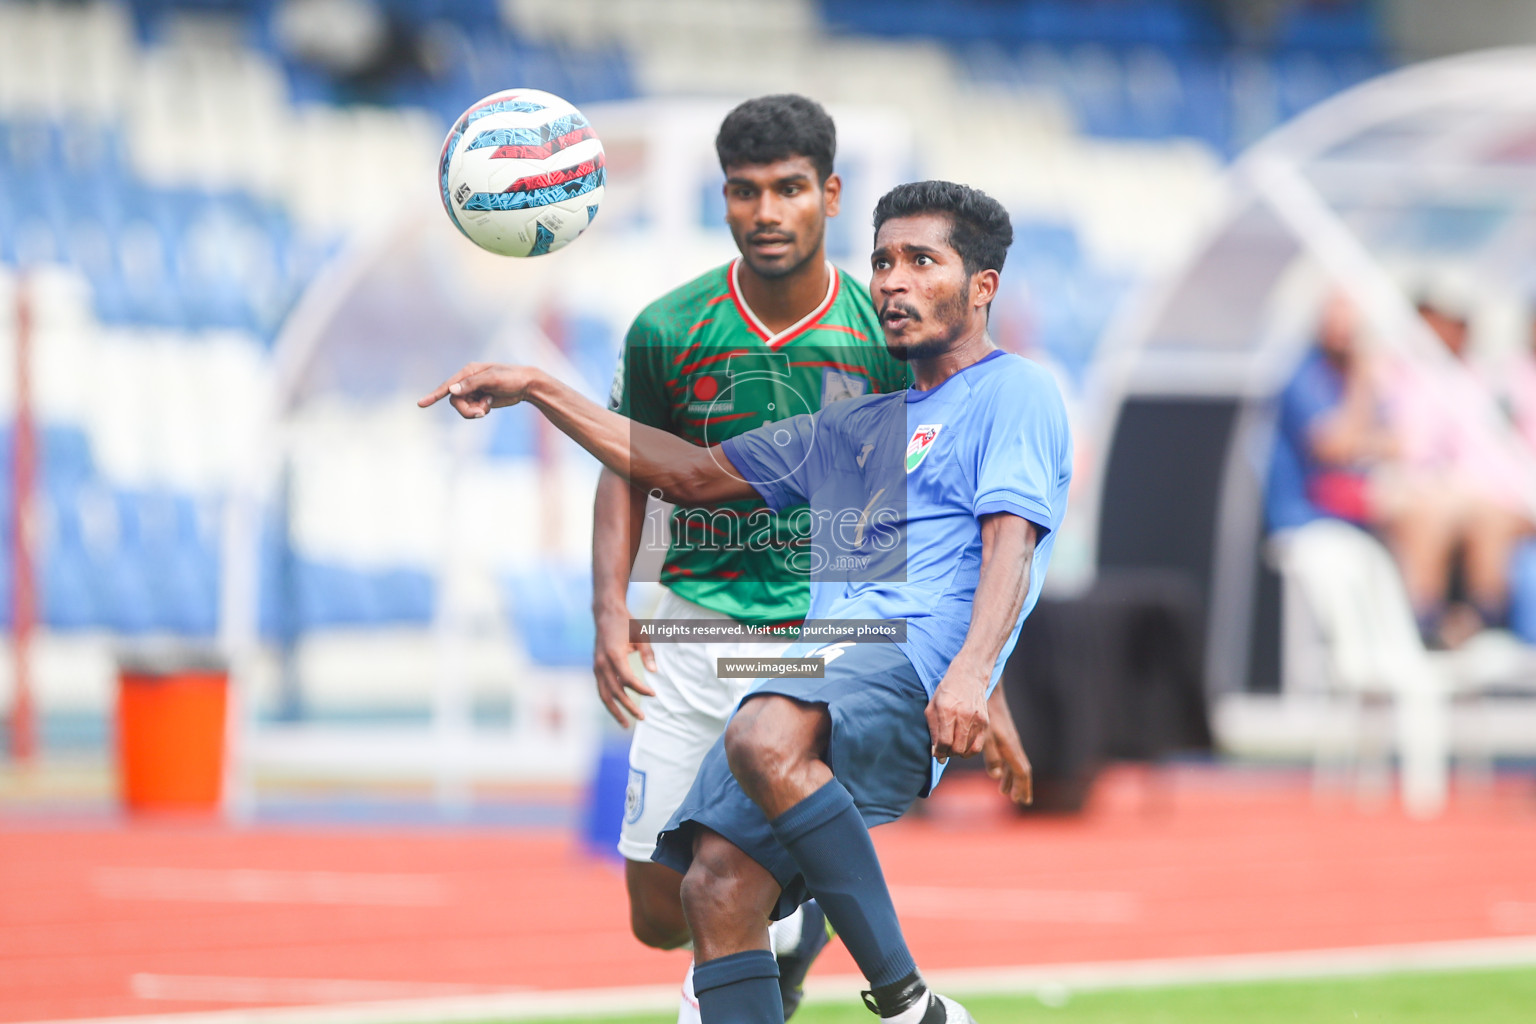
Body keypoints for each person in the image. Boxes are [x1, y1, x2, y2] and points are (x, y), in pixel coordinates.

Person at [422, 179, 1069, 1024]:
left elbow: (1009, 544)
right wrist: (544, 391)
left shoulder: (1016, 391)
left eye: (922, 261)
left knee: (761, 733)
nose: (893, 281)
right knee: (712, 889)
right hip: (837, 660)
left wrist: (976, 677)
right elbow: (685, 476)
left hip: (911, 666)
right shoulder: (857, 429)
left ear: (982, 286)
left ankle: (911, 1005)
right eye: (882, 262)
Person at [594, 93, 908, 1020]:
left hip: (813, 645)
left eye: (789, 189)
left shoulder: (881, 339)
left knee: (720, 883)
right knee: (657, 911)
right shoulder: (667, 328)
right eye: (744, 192)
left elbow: (904, 509)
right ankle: (789, 922)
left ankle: (757, 940)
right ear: (722, 197)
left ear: (831, 194)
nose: (766, 213)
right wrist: (612, 608)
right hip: (689, 635)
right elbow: (624, 471)